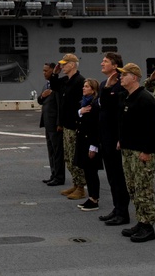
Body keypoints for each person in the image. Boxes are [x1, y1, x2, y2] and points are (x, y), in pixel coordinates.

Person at [116, 63, 155, 242]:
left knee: (143, 190)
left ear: (134, 77)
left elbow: (152, 128)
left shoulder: (145, 99)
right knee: (133, 188)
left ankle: (148, 226)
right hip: (128, 149)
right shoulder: (127, 97)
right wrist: (122, 140)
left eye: (124, 75)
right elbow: (125, 124)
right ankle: (141, 221)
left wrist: (148, 150)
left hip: (142, 152)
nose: (121, 77)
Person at [97, 53, 130, 227]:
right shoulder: (104, 84)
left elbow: (117, 110)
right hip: (106, 137)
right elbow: (100, 107)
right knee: (111, 177)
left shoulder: (121, 85)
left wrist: (109, 90)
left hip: (116, 139)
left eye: (106, 61)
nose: (102, 63)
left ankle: (123, 212)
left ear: (115, 66)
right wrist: (105, 89)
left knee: (119, 177)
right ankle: (117, 208)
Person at [56, 54, 87, 200]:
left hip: (75, 125)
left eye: (64, 64)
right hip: (67, 125)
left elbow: (84, 102)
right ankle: (75, 183)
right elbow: (54, 86)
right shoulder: (66, 81)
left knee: (76, 157)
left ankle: (81, 187)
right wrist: (55, 73)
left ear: (73, 64)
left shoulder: (80, 82)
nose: (62, 66)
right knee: (68, 157)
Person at [74, 78, 103, 211]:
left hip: (90, 142)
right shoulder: (84, 103)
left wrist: (94, 146)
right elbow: (77, 119)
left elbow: (96, 127)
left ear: (93, 89)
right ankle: (91, 196)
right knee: (87, 171)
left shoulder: (94, 105)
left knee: (91, 172)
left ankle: (94, 199)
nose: (83, 88)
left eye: (86, 86)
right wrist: (80, 112)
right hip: (83, 142)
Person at [37, 62, 65, 186]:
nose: (44, 73)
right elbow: (39, 101)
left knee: (58, 151)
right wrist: (42, 96)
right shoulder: (46, 85)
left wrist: (60, 123)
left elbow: (60, 106)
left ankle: (59, 177)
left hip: (55, 125)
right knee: (51, 150)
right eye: (43, 70)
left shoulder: (57, 86)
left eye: (46, 71)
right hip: (48, 124)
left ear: (53, 71)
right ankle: (53, 174)